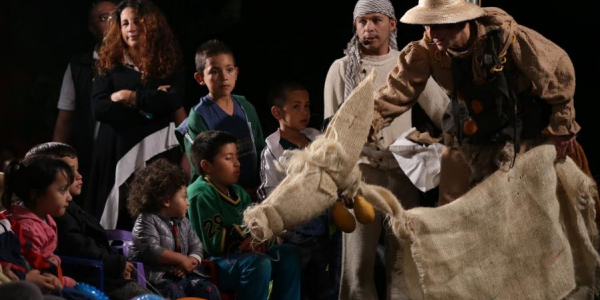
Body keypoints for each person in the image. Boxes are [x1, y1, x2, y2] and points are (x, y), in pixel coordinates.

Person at [373, 0, 588, 205]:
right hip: (464, 134)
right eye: (427, 25)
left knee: (512, 208)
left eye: (439, 25)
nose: (431, 34)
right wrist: (365, 124)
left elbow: (556, 71)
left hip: (513, 135)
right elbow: (396, 91)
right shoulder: (426, 50)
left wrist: (563, 123)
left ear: (461, 20)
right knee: (451, 208)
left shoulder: (505, 38)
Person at [323, 0, 449, 299]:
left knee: (402, 264)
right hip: (360, 177)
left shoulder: (406, 63)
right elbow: (332, 132)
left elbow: (443, 111)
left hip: (402, 176)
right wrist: (339, 180)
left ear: (393, 24)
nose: (369, 28)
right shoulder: (341, 70)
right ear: (355, 26)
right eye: (363, 21)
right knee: (357, 270)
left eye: (377, 20)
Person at [89, 0, 185, 230]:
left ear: (151, 25)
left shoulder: (168, 65)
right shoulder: (108, 65)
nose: (130, 27)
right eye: (124, 23)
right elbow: (100, 108)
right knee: (120, 220)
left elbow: (173, 100)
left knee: (158, 218)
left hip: (158, 153)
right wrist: (151, 102)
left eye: (136, 21)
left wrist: (127, 97)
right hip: (117, 153)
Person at [25, 142, 150, 300]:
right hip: (91, 279)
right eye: (69, 171)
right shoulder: (56, 216)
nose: (78, 176)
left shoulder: (71, 208)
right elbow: (79, 246)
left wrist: (117, 263)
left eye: (77, 169)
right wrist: (114, 264)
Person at [187, 130, 301, 300]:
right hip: (215, 264)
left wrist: (259, 239)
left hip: (246, 256)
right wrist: (250, 237)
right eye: (228, 158)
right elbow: (214, 245)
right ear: (206, 166)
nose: (237, 163)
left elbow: (262, 225)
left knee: (288, 254)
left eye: (236, 157)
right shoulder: (200, 193)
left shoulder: (239, 191)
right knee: (258, 263)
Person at [258, 81, 333, 300]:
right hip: (296, 235)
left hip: (322, 230)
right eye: (296, 107)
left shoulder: (316, 140)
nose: (305, 112)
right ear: (277, 112)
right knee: (297, 287)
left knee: (324, 287)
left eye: (307, 106)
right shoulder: (273, 152)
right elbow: (270, 194)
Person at [176, 40, 265, 201]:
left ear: (236, 73)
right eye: (214, 71)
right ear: (200, 78)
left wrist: (262, 184)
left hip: (256, 194)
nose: (224, 77)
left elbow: (260, 149)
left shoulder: (246, 108)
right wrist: (235, 193)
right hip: (223, 199)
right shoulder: (199, 116)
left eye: (229, 70)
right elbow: (201, 169)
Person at [1, 157, 98, 300]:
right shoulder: (28, 227)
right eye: (62, 190)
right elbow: (31, 265)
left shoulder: (46, 218)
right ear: (36, 195)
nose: (69, 197)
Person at [128, 159, 221, 300]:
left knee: (209, 290)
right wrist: (181, 259)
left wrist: (190, 262)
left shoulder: (183, 221)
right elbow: (151, 250)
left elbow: (196, 245)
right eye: (184, 197)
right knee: (173, 291)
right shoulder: (146, 220)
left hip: (183, 276)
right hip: (156, 280)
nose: (188, 202)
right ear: (166, 201)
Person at [52, 0, 116, 205]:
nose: (111, 22)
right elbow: (65, 120)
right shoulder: (79, 66)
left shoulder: (136, 61)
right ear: (91, 28)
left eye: (115, 16)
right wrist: (56, 162)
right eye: (103, 18)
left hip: (123, 153)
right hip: (90, 155)